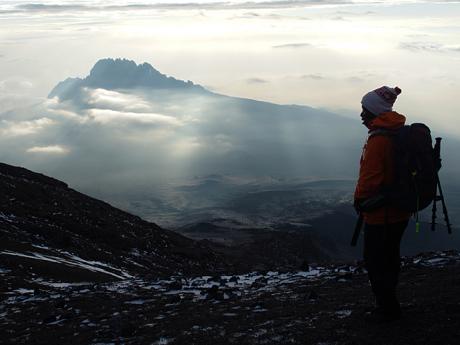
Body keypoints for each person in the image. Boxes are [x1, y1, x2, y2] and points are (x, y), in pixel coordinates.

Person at [354, 86, 411, 322]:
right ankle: (390, 304)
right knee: (390, 256)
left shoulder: (379, 139)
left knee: (376, 260)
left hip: (381, 213)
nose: (361, 115)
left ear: (374, 111)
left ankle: (387, 309)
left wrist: (359, 202)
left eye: (364, 109)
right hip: (401, 209)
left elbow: (370, 179)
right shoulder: (397, 131)